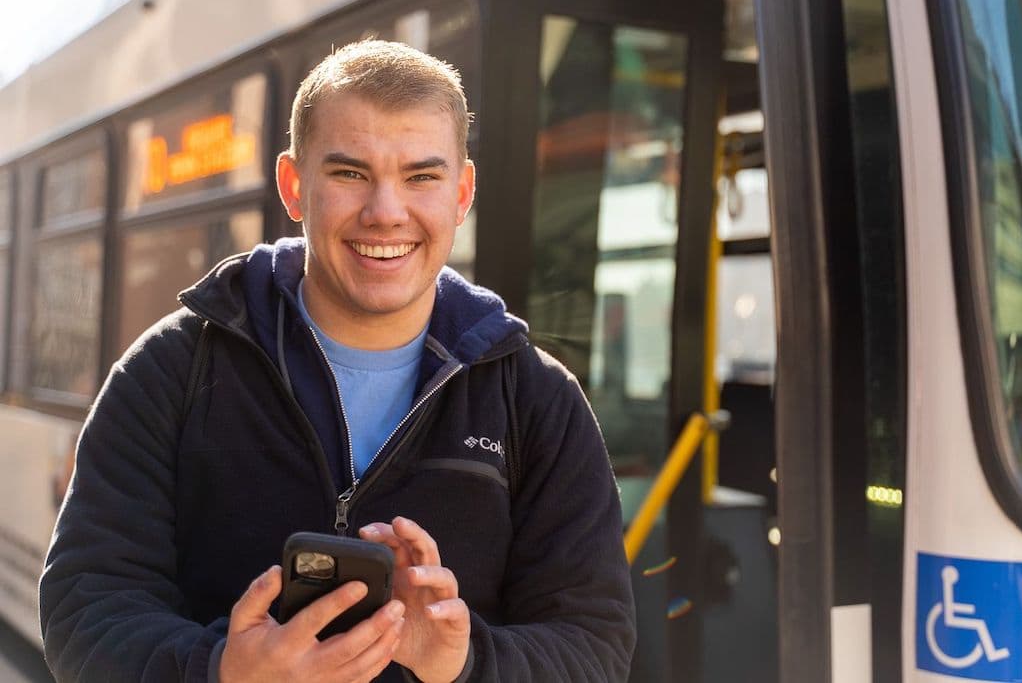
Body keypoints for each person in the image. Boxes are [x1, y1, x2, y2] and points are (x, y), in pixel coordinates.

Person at [39, 39, 636, 682]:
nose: (386, 213)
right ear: (294, 187)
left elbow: (593, 644)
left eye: (422, 177)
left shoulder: (537, 399)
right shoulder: (171, 368)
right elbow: (85, 606)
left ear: (461, 193)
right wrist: (221, 672)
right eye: (350, 173)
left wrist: (461, 662)